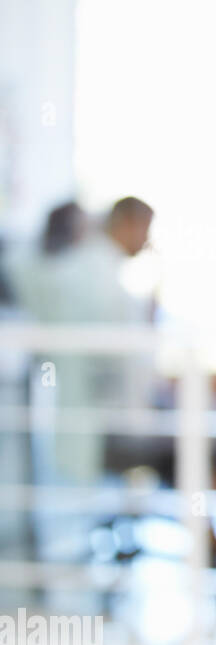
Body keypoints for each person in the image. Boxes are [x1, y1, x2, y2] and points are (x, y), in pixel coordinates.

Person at [14, 197, 156, 485]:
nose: (147, 241)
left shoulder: (96, 267)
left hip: (94, 416)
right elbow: (114, 356)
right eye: (145, 229)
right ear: (127, 224)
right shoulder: (93, 272)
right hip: (99, 420)